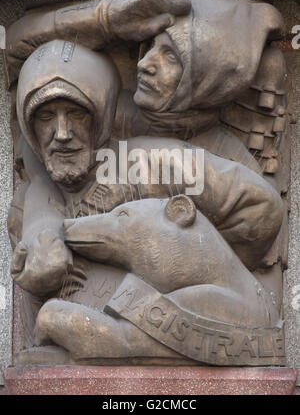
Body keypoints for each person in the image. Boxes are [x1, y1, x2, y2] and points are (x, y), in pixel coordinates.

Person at [9, 40, 284, 362]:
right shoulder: (29, 204)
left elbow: (260, 208)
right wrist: (38, 266)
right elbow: (38, 260)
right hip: (75, 353)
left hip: (196, 332)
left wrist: (201, 260)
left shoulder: (152, 161)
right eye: (44, 118)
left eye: (76, 114)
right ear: (29, 129)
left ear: (101, 115)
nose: (62, 133)